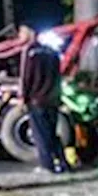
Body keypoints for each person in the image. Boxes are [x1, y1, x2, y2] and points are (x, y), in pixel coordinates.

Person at [18, 26, 68, 173]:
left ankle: (47, 165)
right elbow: (58, 75)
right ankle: (63, 162)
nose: (19, 35)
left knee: (40, 135)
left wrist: (23, 97)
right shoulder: (52, 52)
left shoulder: (30, 52)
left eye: (22, 32)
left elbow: (27, 77)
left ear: (31, 33)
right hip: (52, 99)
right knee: (52, 133)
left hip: (36, 100)